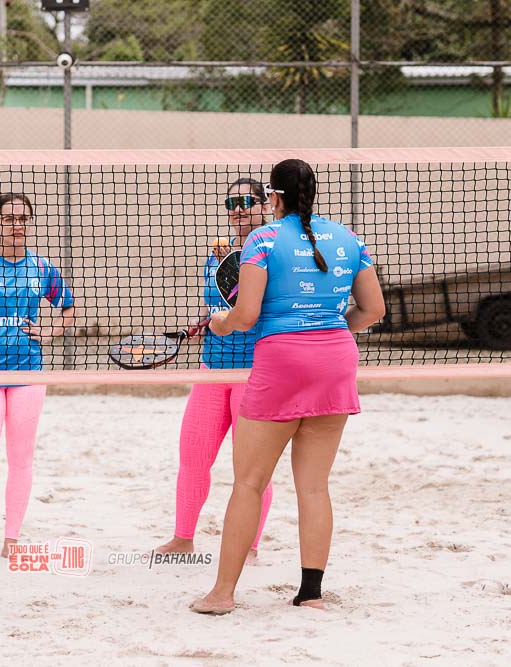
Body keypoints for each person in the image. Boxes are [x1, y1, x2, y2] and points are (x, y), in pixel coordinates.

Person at [191, 159, 385, 615]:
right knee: (314, 487)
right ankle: (311, 593)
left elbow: (245, 317)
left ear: (274, 197)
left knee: (248, 483)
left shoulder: (262, 239)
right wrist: (327, 331)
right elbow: (373, 310)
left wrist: (219, 323)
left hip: (282, 361)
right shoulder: (349, 238)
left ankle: (222, 594)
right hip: (335, 360)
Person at [0, 194, 76, 558]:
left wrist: (49, 333)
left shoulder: (42, 267)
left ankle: (12, 537)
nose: (16, 225)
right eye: (8, 219)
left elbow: (69, 308)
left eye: (22, 218)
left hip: (28, 373)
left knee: (21, 457)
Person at [156, 178, 273, 564]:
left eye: (246, 201)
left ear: (265, 206)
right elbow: (216, 309)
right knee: (193, 456)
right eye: (231, 202)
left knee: (251, 467)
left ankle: (249, 547)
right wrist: (200, 325)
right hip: (212, 368)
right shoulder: (217, 256)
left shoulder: (273, 251)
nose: (237, 209)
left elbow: (258, 309)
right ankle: (183, 538)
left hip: (254, 371)